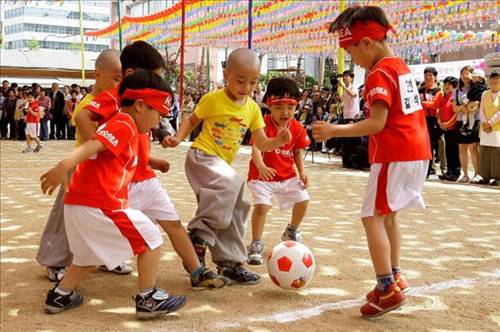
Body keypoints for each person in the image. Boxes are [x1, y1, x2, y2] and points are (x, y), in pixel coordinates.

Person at [78, 41, 228, 289]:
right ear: (131, 75)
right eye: (153, 78)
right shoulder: (115, 98)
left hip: (146, 179)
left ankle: (197, 272)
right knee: (113, 235)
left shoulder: (144, 101)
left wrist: (152, 161)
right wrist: (96, 150)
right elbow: (83, 115)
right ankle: (68, 281)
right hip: (121, 185)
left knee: (173, 223)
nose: (157, 84)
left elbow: (134, 144)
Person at [40, 70, 187, 319]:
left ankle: (61, 295)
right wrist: (64, 165)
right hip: (100, 203)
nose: (158, 121)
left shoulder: (123, 125)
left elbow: (111, 156)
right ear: (140, 105)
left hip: (79, 203)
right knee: (151, 238)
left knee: (88, 256)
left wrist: (152, 162)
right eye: (158, 114)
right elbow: (93, 144)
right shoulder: (124, 123)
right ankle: (148, 298)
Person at [316, 6, 431, 318]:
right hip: (416, 151)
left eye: (351, 51)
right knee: (388, 216)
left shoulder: (379, 72)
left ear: (367, 43)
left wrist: (333, 129)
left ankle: (386, 288)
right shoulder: (400, 66)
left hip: (395, 153)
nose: (353, 59)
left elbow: (377, 123)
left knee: (371, 217)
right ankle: (394, 275)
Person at [162, 48, 292, 284]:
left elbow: (261, 142)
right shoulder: (213, 99)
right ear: (226, 75)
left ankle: (229, 263)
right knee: (232, 183)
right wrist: (179, 137)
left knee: (240, 203)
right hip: (202, 157)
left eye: (253, 82)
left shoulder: (252, 107)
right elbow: (192, 120)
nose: (246, 87)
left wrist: (277, 140)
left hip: (221, 164)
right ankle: (199, 235)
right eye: (240, 81)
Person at [36, 49, 124, 282]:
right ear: (97, 74)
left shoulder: (117, 103)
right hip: (81, 168)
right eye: (116, 78)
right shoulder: (87, 105)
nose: (119, 84)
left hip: (106, 170)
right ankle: (55, 261)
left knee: (110, 214)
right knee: (63, 216)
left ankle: (108, 257)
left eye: (123, 79)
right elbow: (95, 140)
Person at [246, 77, 310, 265]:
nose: (285, 112)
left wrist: (302, 173)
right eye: (279, 106)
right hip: (262, 177)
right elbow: (256, 148)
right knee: (262, 207)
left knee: (303, 199)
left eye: (290, 107)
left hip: (287, 176)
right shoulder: (262, 124)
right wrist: (261, 167)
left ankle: (291, 230)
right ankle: (256, 243)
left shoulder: (297, 128)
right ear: (269, 105)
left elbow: (297, 151)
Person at [452, 66, 480, 183]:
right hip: (461, 121)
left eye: (467, 73)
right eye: (463, 73)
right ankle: (465, 174)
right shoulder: (457, 90)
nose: (465, 76)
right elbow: (454, 108)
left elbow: (477, 104)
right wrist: (463, 108)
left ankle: (477, 174)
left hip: (474, 120)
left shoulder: (478, 88)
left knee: (473, 147)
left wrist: (469, 108)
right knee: (462, 148)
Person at [419, 66, 444, 177]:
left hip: (432, 121)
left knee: (431, 146)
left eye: (430, 75)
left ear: (435, 77)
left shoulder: (438, 91)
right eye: (426, 75)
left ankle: (428, 170)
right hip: (420, 120)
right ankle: (421, 169)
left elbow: (434, 104)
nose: (428, 77)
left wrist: (421, 103)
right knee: (420, 145)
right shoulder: (419, 90)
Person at [477, 70, 500, 186]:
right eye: (493, 78)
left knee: (496, 153)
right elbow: (481, 110)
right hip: (485, 128)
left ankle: (497, 177)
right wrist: (485, 123)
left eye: (497, 78)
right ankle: (485, 176)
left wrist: (490, 123)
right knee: (484, 151)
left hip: (497, 128)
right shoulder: (485, 94)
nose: (495, 81)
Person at [437, 76, 461, 181]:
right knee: (448, 150)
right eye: (445, 85)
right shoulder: (444, 97)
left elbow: (457, 113)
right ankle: (449, 171)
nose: (446, 87)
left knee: (454, 151)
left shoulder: (456, 97)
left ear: (454, 86)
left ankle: (455, 172)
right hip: (446, 128)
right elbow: (439, 111)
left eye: (449, 85)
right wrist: (440, 123)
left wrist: (449, 123)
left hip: (454, 128)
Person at [462, 69, 487, 136]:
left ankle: (466, 127)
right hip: (480, 106)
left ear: (479, 78)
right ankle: (469, 128)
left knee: (469, 115)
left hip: (472, 103)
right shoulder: (485, 86)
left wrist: (465, 102)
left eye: (474, 77)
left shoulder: (475, 86)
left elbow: (469, 94)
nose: (472, 78)